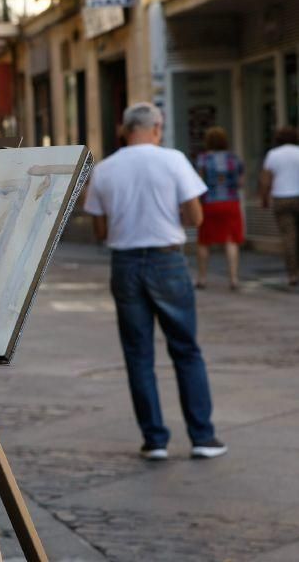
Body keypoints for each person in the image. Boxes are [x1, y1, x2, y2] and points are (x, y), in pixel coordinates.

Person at [84, 102, 227, 461]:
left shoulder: (104, 169)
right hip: (167, 261)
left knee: (138, 354)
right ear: (157, 128)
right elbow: (195, 217)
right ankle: (202, 437)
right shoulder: (174, 160)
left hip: (125, 263)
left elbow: (100, 231)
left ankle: (155, 440)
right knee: (186, 350)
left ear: (124, 129)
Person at [194, 126, 244, 290]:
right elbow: (240, 182)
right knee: (231, 240)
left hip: (209, 203)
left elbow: (199, 182)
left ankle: (202, 278)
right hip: (230, 202)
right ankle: (233, 279)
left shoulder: (203, 159)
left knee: (204, 241)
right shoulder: (234, 158)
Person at [259, 126, 299, 286]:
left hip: (281, 198)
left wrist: (264, 198)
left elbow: (265, 179)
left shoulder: (273, 155)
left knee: (289, 237)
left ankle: (293, 274)